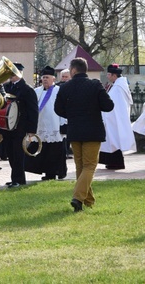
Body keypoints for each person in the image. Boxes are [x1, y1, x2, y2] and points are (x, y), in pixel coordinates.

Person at [54, 57, 114, 212]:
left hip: (74, 130)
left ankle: (88, 201)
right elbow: (108, 106)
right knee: (90, 166)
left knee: (81, 166)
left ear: (73, 70)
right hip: (93, 131)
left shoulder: (65, 87)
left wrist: (72, 114)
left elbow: (58, 109)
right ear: (85, 69)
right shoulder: (95, 85)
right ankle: (77, 198)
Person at [2, 63, 38, 188]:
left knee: (18, 154)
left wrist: (32, 130)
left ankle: (19, 179)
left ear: (20, 73)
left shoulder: (27, 89)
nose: (11, 75)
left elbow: (33, 111)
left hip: (20, 127)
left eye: (14, 73)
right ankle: (14, 178)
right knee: (10, 153)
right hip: (7, 127)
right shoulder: (5, 87)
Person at [30, 66, 67, 181]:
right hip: (41, 125)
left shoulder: (59, 91)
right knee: (44, 150)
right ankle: (47, 173)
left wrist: (63, 123)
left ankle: (56, 172)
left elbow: (63, 108)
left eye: (47, 77)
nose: (45, 79)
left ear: (53, 79)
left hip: (55, 125)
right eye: (43, 77)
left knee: (55, 150)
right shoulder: (37, 91)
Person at [99, 64, 137, 170]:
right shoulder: (118, 86)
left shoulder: (118, 88)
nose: (107, 76)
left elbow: (114, 105)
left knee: (114, 140)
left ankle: (116, 163)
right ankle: (111, 162)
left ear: (114, 75)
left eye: (109, 74)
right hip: (113, 118)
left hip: (114, 119)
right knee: (112, 140)